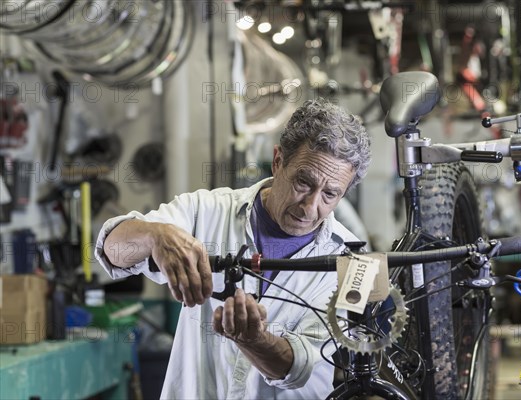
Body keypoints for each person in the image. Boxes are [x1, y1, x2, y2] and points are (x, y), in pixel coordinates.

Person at [94, 98, 372, 399]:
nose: (310, 207)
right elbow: (113, 251)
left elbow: (300, 369)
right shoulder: (206, 210)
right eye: (303, 183)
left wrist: (255, 340)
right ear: (278, 161)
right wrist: (154, 235)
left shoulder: (354, 264)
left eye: (330, 194)